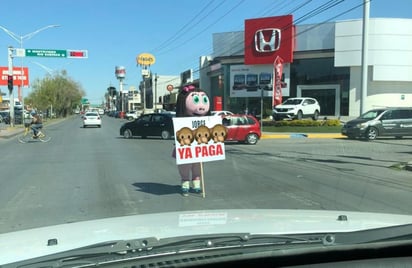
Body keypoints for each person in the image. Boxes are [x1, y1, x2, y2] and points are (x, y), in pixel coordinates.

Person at [173, 84, 211, 196]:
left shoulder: (207, 121)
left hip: (200, 148)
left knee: (198, 167)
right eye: (195, 100)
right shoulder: (181, 122)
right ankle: (185, 183)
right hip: (185, 148)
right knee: (185, 166)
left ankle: (197, 184)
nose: (201, 106)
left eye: (204, 100)